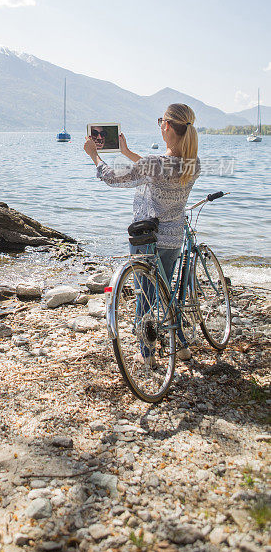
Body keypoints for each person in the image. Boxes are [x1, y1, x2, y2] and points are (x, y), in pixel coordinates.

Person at [84, 103, 200, 365]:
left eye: (161, 120)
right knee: (167, 293)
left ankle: (147, 355)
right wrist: (128, 153)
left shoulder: (156, 164)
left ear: (166, 126)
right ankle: (180, 345)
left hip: (148, 239)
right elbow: (156, 172)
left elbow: (114, 178)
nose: (161, 124)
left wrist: (94, 156)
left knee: (145, 297)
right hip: (173, 239)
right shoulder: (193, 164)